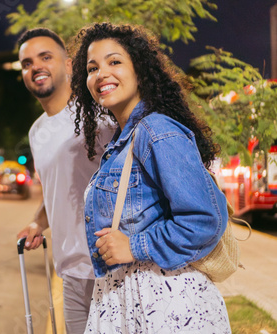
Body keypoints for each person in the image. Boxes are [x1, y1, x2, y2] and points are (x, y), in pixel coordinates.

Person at [69, 22, 232, 333]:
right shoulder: (122, 140)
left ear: (140, 70)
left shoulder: (155, 130)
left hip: (165, 303)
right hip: (130, 298)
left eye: (114, 61)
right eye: (92, 68)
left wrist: (135, 246)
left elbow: (204, 219)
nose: (102, 73)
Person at [15, 28, 116, 333]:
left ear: (70, 64)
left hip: (112, 268)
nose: (36, 67)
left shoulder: (101, 115)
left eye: (46, 57)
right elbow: (56, 192)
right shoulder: (36, 132)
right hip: (71, 273)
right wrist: (37, 223)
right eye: (27, 63)